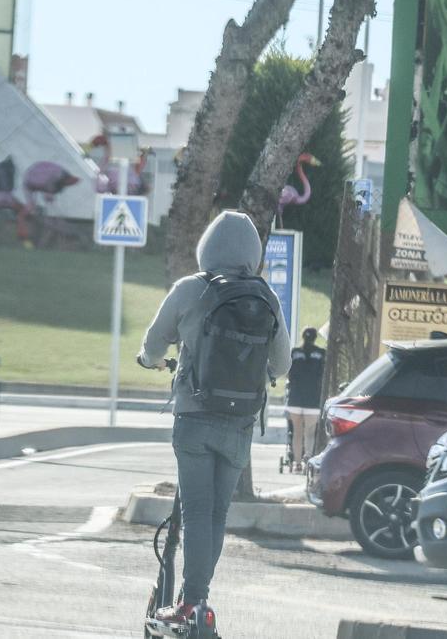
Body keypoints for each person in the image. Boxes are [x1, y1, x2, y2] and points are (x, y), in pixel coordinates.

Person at [138, 211, 292, 624]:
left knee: (196, 512)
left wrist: (149, 360)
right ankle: (196, 601)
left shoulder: (190, 288)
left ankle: (191, 603)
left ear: (206, 247)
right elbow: (282, 364)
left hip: (195, 417)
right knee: (216, 515)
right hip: (241, 424)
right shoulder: (266, 297)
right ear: (254, 254)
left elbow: (154, 343)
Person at [285, 327, 325, 471]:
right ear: (315, 338)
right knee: (310, 433)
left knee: (297, 432)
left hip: (295, 398)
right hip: (313, 400)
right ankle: (308, 457)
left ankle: (296, 463)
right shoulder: (321, 354)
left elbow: (289, 374)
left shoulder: (295, 353)